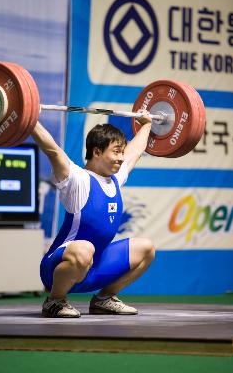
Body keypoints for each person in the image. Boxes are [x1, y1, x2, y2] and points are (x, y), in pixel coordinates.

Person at [31, 111, 155, 318]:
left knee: (146, 248)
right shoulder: (77, 179)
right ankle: (55, 300)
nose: (121, 158)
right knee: (85, 248)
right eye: (116, 152)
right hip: (57, 268)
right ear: (97, 152)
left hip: (93, 265)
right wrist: (29, 119)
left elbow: (135, 151)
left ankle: (104, 299)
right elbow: (52, 149)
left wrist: (147, 125)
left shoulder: (116, 178)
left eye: (121, 152)